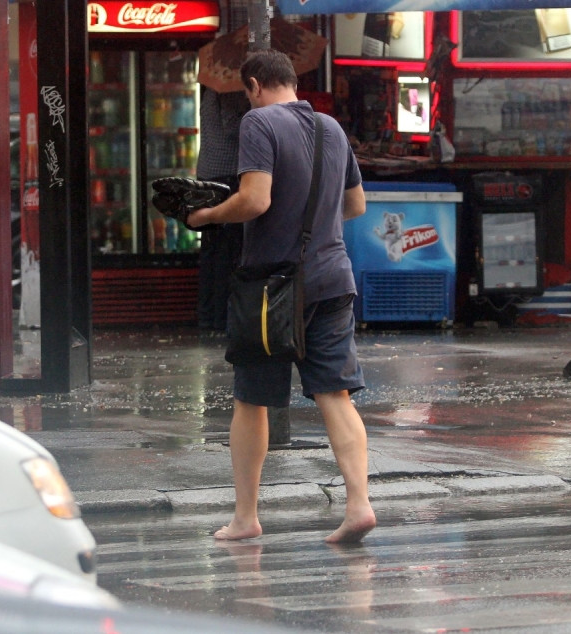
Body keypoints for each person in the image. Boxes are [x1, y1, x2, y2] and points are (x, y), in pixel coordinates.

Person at [187, 49, 375, 544]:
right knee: (335, 395)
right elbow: (355, 204)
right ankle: (359, 505)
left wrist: (203, 217)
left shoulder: (259, 123)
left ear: (252, 85)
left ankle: (246, 518)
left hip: (272, 288)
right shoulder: (330, 129)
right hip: (333, 279)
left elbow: (255, 199)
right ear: (292, 82)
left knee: (252, 400)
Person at [196, 87, 248, 331]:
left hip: (207, 175)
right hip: (226, 177)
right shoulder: (229, 92)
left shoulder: (209, 92)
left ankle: (208, 317)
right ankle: (223, 319)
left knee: (212, 251)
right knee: (228, 253)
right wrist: (256, 113)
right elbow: (232, 128)